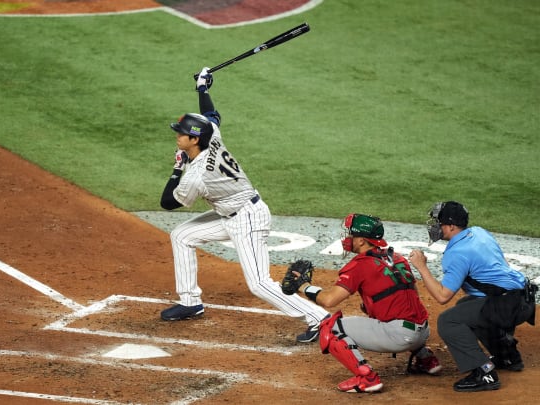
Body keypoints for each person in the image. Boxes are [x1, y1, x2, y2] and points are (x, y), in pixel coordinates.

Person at [158, 67, 329, 343]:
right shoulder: (211, 136)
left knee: (260, 284)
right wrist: (203, 89)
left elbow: (168, 203)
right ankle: (190, 301)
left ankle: (320, 319)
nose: (177, 137)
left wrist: (177, 168)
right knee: (182, 235)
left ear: (194, 140)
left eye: (181, 134)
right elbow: (212, 116)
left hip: (248, 218)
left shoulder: (197, 175)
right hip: (229, 212)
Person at [289, 213, 442, 393]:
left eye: (350, 235)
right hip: (422, 331)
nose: (347, 238)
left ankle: (367, 377)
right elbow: (410, 295)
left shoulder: (360, 264)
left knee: (330, 328)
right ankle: (426, 359)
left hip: (400, 336)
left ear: (361, 241)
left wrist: (304, 286)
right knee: (393, 311)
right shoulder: (398, 258)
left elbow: (329, 300)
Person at [408, 201, 536, 392]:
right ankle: (506, 356)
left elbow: (443, 297)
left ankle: (484, 373)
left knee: (447, 321)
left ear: (451, 226)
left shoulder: (457, 253)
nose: (435, 226)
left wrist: (422, 267)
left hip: (508, 306)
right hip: (523, 299)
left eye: (438, 222)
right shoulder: (478, 232)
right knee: (466, 305)